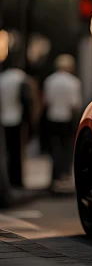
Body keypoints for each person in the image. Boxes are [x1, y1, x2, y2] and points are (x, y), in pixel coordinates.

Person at [43, 54, 82, 192]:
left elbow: (46, 101)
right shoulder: (73, 82)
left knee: (54, 147)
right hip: (67, 118)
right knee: (67, 148)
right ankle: (64, 176)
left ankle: (54, 176)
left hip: (52, 117)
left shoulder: (49, 80)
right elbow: (75, 104)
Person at [0, 58, 33, 187]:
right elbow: (26, 101)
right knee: (18, 152)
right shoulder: (22, 78)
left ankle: (8, 179)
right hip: (18, 118)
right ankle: (17, 180)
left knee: (7, 151)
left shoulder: (2, 78)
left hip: (4, 118)